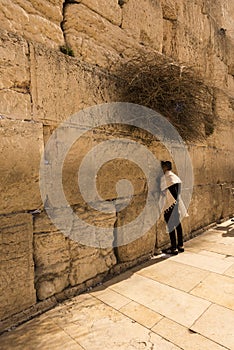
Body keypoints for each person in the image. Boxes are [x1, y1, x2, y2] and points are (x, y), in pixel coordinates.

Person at [160, 161, 185, 255]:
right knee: (178, 224)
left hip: (169, 205)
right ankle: (180, 245)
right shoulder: (175, 177)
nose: (162, 169)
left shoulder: (165, 178)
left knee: (171, 226)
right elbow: (178, 191)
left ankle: (174, 248)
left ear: (166, 167)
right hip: (177, 203)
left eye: (162, 167)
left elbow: (162, 191)